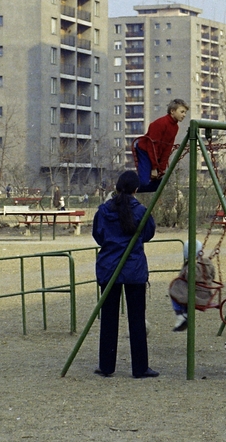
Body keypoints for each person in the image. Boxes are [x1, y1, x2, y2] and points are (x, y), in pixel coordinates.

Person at [91, 170, 158, 378]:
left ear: (117, 187)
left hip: (109, 266)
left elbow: (99, 235)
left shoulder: (103, 211)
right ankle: (140, 367)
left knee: (109, 318)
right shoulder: (141, 212)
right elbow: (148, 234)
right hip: (134, 268)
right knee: (136, 318)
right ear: (136, 190)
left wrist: (113, 243)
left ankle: (106, 365)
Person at [133, 100, 190, 193]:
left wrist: (161, 168)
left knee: (159, 184)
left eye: (185, 112)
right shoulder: (160, 123)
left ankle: (127, 190)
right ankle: (121, 190)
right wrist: (154, 168)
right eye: (182, 112)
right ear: (172, 111)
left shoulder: (175, 127)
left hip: (156, 154)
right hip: (145, 151)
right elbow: (152, 146)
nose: (184, 115)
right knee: (143, 182)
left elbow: (168, 148)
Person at [167, 239, 216, 332]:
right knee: (183, 290)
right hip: (207, 294)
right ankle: (184, 314)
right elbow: (213, 275)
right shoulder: (208, 263)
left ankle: (180, 314)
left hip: (196, 296)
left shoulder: (191, 266)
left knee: (174, 290)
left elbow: (189, 278)